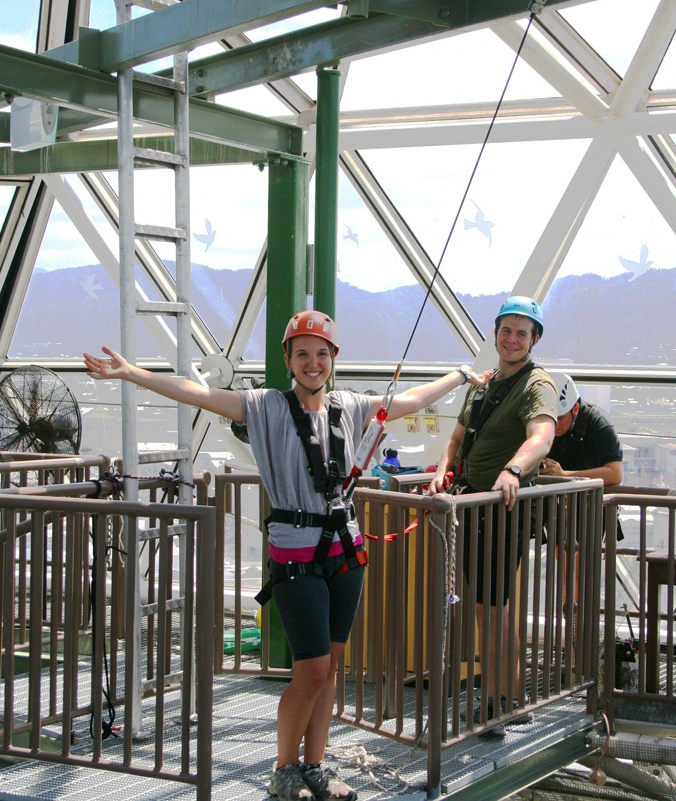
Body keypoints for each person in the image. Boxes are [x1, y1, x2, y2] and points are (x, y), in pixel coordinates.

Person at [84, 309, 487, 801]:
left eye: (321, 354)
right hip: (297, 555)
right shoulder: (265, 407)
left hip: (346, 551)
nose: (312, 363)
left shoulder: (350, 406)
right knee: (311, 668)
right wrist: (132, 374)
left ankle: (315, 764)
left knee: (331, 666)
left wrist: (460, 376)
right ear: (288, 360)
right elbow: (199, 394)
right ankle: (284, 767)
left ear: (333, 359)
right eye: (303, 354)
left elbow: (407, 400)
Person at [428, 295, 557, 737]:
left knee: (493, 611)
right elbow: (458, 437)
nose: (513, 339)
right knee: (491, 610)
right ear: (496, 334)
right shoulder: (484, 385)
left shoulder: (536, 384)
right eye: (507, 330)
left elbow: (542, 435)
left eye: (522, 332)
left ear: (534, 339)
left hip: (500, 510)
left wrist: (513, 469)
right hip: (475, 504)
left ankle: (501, 702)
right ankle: (506, 698)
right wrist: (446, 469)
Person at [542, 373, 623, 487]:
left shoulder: (599, 424)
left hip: (590, 501)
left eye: (560, 418)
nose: (554, 424)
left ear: (575, 409)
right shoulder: (538, 422)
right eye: (549, 418)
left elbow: (615, 474)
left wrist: (564, 475)